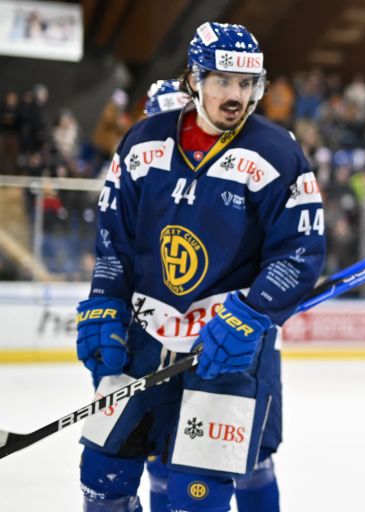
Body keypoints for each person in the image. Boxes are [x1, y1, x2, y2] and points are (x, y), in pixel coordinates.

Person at [75, 22, 325, 512]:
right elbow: (113, 240)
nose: (236, 95)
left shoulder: (277, 153)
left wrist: (254, 313)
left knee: (197, 497)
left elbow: (299, 250)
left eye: (247, 84)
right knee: (102, 480)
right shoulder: (142, 142)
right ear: (194, 79)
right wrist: (104, 300)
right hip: (143, 339)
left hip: (221, 348)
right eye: (223, 81)